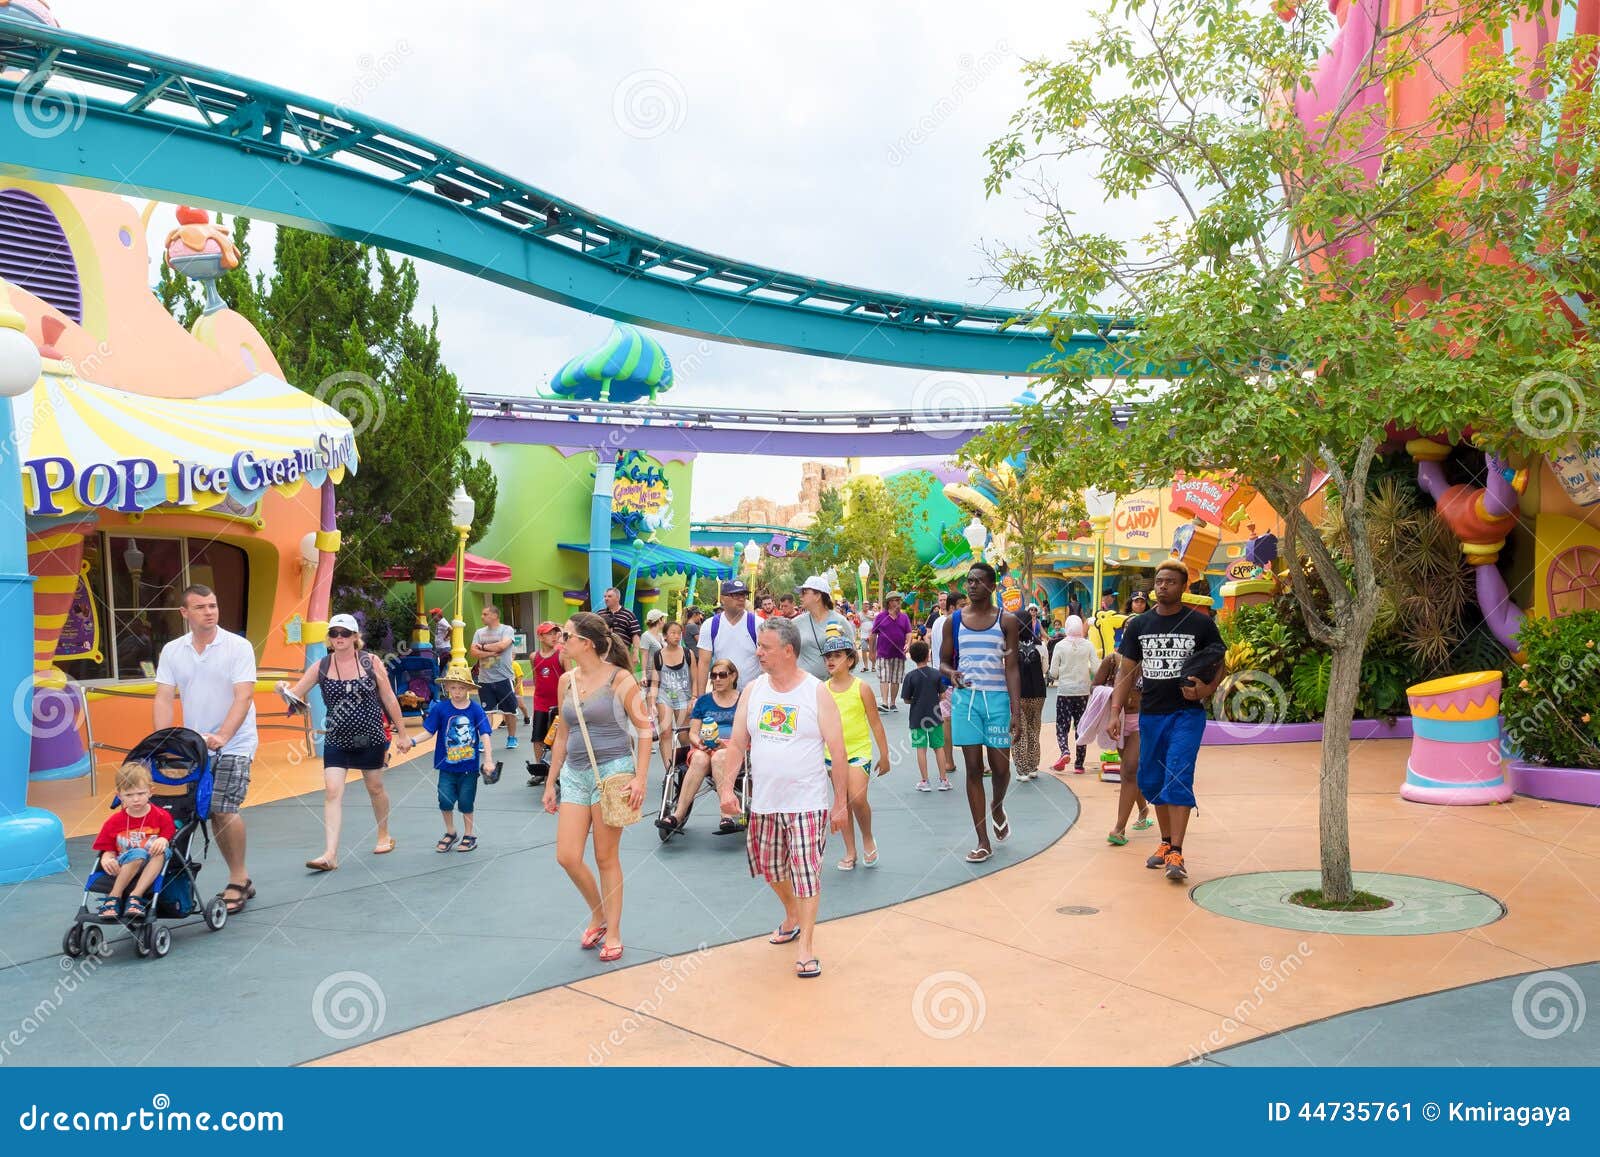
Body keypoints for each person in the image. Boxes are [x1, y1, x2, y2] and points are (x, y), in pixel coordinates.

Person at [724, 617, 850, 979]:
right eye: (759, 646)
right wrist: (725, 788)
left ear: (788, 651)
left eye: (765, 647)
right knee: (771, 868)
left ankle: (806, 947)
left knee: (806, 871)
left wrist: (839, 802)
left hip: (807, 801)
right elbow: (737, 743)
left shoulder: (815, 692)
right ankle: (792, 913)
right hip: (764, 802)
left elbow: (837, 751)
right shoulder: (753, 690)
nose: (758, 652)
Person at [542, 612, 652, 963]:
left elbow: (645, 728)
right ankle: (599, 913)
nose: (561, 641)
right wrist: (551, 780)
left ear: (586, 644)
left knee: (606, 857)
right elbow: (563, 732)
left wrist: (640, 777)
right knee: (567, 856)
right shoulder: (567, 681)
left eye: (567, 636)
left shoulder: (620, 679)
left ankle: (614, 930)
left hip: (612, 773)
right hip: (575, 773)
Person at [1108, 560, 1226, 881]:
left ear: (1183, 586)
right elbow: (1127, 670)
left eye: (1170, 582)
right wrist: (1115, 710)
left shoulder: (1199, 624)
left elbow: (1219, 658)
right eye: (1159, 581)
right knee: (1153, 780)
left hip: (1186, 715)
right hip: (1152, 714)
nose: (1162, 586)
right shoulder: (1139, 625)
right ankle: (1163, 843)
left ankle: (1177, 850)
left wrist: (1208, 687)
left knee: (1178, 775)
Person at [277, 613, 414, 870]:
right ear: (329, 638)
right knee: (332, 791)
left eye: (344, 633)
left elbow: (389, 698)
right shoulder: (321, 666)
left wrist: (403, 733)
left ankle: (383, 833)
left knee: (374, 787)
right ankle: (330, 854)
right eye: (333, 633)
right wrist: (282, 691)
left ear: (354, 637)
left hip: (370, 734)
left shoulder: (370, 661)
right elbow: (295, 699)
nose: (338, 637)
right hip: (337, 737)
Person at [154, 584, 257, 914]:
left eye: (213, 605)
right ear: (185, 613)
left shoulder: (238, 647)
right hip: (194, 746)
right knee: (198, 810)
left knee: (223, 807)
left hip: (236, 742)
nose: (209, 611)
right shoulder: (172, 650)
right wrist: (163, 742)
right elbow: (163, 697)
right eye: (200, 607)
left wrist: (224, 735)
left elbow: (244, 696)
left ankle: (239, 880)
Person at [940, 563, 1020, 864]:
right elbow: (943, 663)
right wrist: (952, 674)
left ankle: (997, 806)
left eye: (978, 581)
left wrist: (1016, 712)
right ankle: (982, 839)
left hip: (997, 702)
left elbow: (1011, 668)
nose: (972, 586)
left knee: (1000, 769)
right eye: (969, 581)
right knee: (973, 769)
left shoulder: (1007, 620)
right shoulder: (954, 621)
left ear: (992, 586)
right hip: (966, 702)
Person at [820, 633, 890, 870]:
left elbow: (876, 723)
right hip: (832, 755)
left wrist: (885, 754)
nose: (831, 660)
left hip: (859, 751)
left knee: (858, 798)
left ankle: (867, 836)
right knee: (842, 802)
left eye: (837, 656)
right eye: (827, 657)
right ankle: (850, 851)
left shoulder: (862, 688)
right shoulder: (821, 690)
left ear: (850, 660)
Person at [656, 658, 741, 834]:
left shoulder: (743, 700)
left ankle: (726, 815)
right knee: (700, 758)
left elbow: (746, 732)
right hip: (705, 747)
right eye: (714, 675)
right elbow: (693, 732)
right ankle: (678, 815)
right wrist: (699, 743)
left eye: (722, 675)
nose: (717, 679)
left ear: (733, 676)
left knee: (719, 756)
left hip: (733, 749)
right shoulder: (703, 701)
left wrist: (724, 744)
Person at [90, 762, 176, 921]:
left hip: (152, 862)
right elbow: (107, 848)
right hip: (125, 861)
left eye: (141, 793)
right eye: (129, 795)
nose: (136, 799)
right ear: (119, 795)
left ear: (151, 792)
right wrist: (107, 858)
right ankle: (114, 896)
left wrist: (163, 839)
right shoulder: (114, 822)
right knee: (138, 852)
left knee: (161, 852)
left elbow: (169, 834)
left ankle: (135, 896)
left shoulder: (162, 816)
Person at [423, 670, 495, 854]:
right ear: (446, 688)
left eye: (461, 688)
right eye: (453, 687)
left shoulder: (475, 709)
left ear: (469, 689)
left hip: (468, 768)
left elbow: (485, 734)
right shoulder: (440, 709)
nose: (457, 692)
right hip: (446, 767)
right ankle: (450, 831)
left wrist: (488, 759)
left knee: (466, 801)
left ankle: (469, 834)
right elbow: (429, 731)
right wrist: (412, 741)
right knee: (444, 799)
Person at [1098, 652, 1153, 845]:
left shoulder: (1152, 661)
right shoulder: (1112, 661)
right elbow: (1094, 687)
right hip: (1121, 720)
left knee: (1129, 769)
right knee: (1131, 773)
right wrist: (1110, 693)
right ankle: (1143, 810)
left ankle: (1119, 828)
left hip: (1143, 719)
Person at [1049, 615, 1098, 772]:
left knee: (1062, 725)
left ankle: (1065, 751)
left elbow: (1053, 672)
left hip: (1065, 692)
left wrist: (1058, 674)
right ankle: (1079, 765)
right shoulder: (1088, 645)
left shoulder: (1060, 646)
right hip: (1083, 692)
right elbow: (1096, 669)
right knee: (1080, 726)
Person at [696, 579, 760, 694]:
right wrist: (700, 698)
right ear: (723, 598)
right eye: (735, 595)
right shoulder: (710, 625)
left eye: (744, 595)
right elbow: (704, 664)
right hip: (721, 697)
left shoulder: (758, 624)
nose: (741, 599)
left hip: (752, 696)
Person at [901, 639, 949, 792]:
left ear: (912, 657)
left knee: (921, 749)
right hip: (935, 716)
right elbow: (943, 696)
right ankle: (943, 780)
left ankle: (925, 781)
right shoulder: (936, 674)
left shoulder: (910, 676)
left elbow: (907, 699)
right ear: (928, 655)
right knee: (939, 747)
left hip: (917, 718)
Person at [470, 604, 520, 749]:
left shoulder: (506, 630)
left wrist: (483, 647)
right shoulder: (479, 632)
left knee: (509, 711)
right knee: (487, 712)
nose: (482, 617)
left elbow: (502, 647)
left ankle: (512, 738)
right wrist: (491, 653)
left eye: (485, 614)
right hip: (485, 679)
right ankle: (485, 741)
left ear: (494, 615)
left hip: (504, 678)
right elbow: (473, 652)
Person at [793, 575, 857, 681]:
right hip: (805, 686)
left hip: (834, 687)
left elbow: (852, 654)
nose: (800, 596)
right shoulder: (796, 623)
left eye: (804, 592)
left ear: (818, 595)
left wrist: (843, 680)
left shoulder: (840, 621)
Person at [649, 619, 695, 766]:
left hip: (684, 696)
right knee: (666, 732)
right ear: (665, 636)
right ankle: (668, 769)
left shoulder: (688, 653)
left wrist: (694, 697)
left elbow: (695, 677)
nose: (677, 636)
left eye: (679, 633)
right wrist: (652, 703)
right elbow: (655, 682)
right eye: (673, 633)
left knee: (683, 734)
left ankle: (686, 765)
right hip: (665, 696)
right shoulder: (658, 655)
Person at [1012, 608, 1050, 782]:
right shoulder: (1040, 646)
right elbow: (1045, 669)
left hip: (1018, 694)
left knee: (1019, 730)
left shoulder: (1010, 646)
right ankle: (1034, 767)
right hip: (1038, 693)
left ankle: (1022, 770)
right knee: (1035, 729)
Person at [527, 622, 564, 784]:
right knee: (538, 738)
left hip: (559, 703)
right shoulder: (534, 657)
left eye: (556, 633)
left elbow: (569, 678)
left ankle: (560, 771)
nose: (554, 636)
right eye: (550, 633)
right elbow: (537, 679)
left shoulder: (562, 655)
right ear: (540, 637)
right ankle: (541, 770)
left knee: (559, 738)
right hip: (540, 703)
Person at [870, 592, 913, 713]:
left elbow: (908, 633)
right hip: (883, 652)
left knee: (895, 679)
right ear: (889, 602)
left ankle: (893, 703)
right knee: (884, 676)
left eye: (899, 600)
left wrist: (908, 643)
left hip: (899, 653)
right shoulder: (880, 616)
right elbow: (873, 634)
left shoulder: (904, 617)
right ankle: (884, 702)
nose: (899, 602)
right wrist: (872, 651)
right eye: (896, 600)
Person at [598, 586, 641, 671]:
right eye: (605, 596)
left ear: (617, 598)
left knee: (623, 677)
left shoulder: (628, 614)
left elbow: (636, 634)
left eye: (609, 596)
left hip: (622, 654)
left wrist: (636, 652)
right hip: (604, 654)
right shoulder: (600, 614)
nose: (606, 599)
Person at [639, 608, 667, 682]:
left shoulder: (661, 636)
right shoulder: (646, 636)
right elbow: (644, 656)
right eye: (663, 619)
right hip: (650, 675)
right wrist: (644, 675)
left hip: (662, 673)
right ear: (659, 620)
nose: (664, 621)